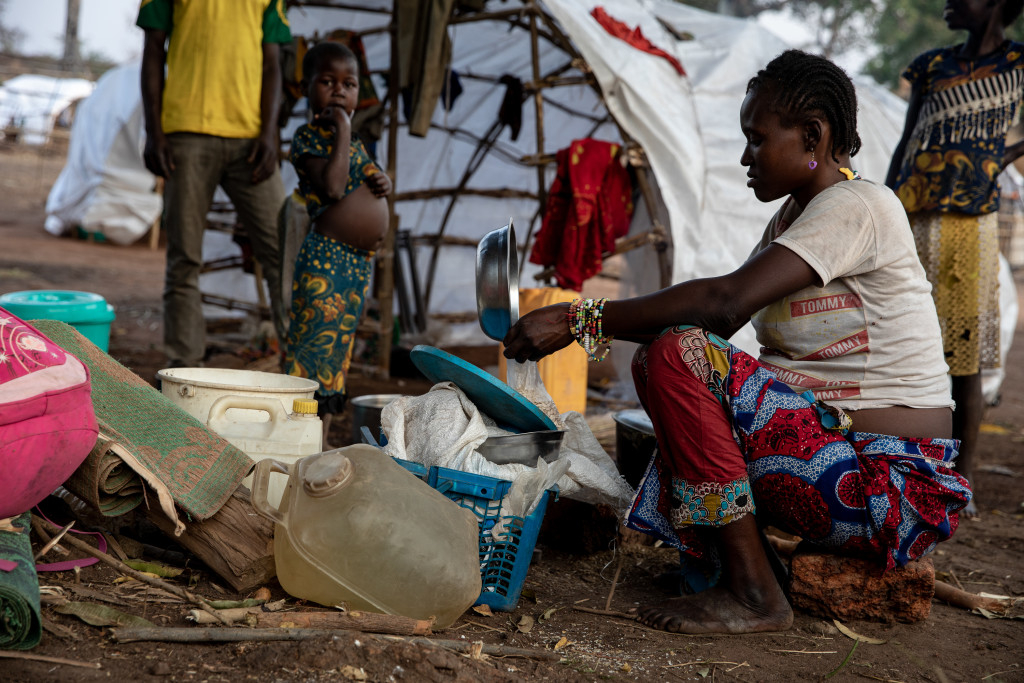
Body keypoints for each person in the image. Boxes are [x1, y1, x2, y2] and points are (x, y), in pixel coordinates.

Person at [503, 50, 972, 634]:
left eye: (756, 139)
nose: (745, 157)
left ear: (812, 135)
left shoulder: (859, 207)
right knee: (665, 357)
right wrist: (586, 324)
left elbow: (722, 303)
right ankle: (748, 570)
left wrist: (580, 318)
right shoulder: (793, 221)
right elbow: (719, 321)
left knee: (677, 356)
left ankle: (753, 593)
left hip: (889, 481)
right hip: (835, 454)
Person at [885, 0, 1024, 518]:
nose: (947, 2)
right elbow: (905, 142)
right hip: (914, 217)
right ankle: (902, 461)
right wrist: (886, 201)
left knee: (962, 357)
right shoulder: (929, 66)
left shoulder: (1017, 63)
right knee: (903, 342)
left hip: (972, 224)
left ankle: (960, 482)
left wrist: (1005, 155)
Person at [138, 0, 292, 368]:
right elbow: (153, 52)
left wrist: (269, 133)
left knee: (282, 253)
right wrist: (154, 131)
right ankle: (183, 369)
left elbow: (273, 63)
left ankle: (298, 364)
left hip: (251, 140)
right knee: (184, 258)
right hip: (185, 134)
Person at [283, 42, 392, 446]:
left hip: (355, 265)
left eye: (349, 84)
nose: (339, 91)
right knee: (311, 352)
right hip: (325, 263)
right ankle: (294, 437)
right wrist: (344, 128)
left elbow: (370, 175)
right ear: (307, 87)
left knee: (336, 357)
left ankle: (319, 438)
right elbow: (331, 187)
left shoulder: (356, 142)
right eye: (327, 82)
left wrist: (384, 182)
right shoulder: (307, 137)